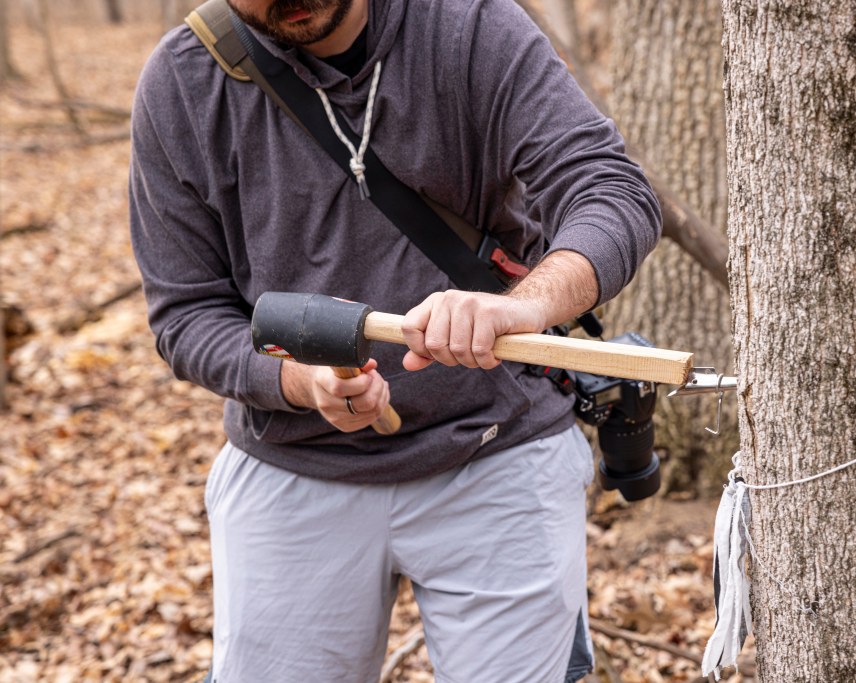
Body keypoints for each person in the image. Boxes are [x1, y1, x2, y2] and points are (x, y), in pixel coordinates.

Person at [129, 0, 661, 680]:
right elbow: (186, 313)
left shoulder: (468, 27)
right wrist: (299, 383)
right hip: (294, 465)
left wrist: (524, 309)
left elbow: (610, 190)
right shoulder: (182, 83)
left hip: (498, 448)